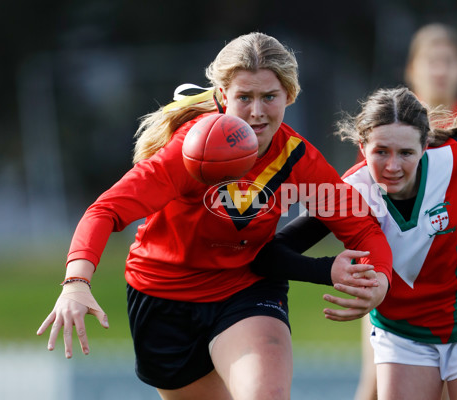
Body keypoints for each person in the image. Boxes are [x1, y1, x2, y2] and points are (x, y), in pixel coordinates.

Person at [36, 32, 394, 400]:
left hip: (244, 287)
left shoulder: (299, 159)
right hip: (162, 295)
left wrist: (379, 281)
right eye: (244, 98)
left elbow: (363, 229)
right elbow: (107, 210)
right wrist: (76, 282)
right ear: (223, 96)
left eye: (269, 97)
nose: (257, 112)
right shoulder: (189, 151)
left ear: (289, 95)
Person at [252, 87, 457, 400]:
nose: (393, 166)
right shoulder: (349, 194)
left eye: (406, 153)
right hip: (403, 332)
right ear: (362, 145)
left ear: (425, 145)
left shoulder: (451, 156)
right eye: (381, 151)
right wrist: (330, 270)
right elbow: (269, 256)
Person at [354, 23, 457, 400]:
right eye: (431, 61)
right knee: (371, 385)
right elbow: (366, 198)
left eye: (449, 61)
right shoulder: (390, 125)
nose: (440, 70)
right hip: (396, 285)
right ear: (412, 69)